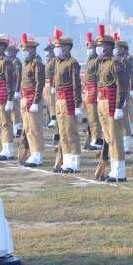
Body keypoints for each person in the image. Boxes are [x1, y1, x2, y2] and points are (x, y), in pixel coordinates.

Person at [93, 26, 129, 182]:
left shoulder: (115, 63)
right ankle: (114, 169)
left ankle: (119, 171)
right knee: (108, 138)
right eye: (98, 45)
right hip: (101, 102)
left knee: (115, 137)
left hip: (111, 102)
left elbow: (122, 85)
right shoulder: (101, 63)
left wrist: (119, 106)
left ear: (109, 46)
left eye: (102, 45)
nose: (100, 48)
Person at [48, 31, 84, 173]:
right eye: (58, 46)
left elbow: (76, 85)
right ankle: (67, 161)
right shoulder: (57, 62)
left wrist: (77, 104)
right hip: (59, 99)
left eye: (61, 46)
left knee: (71, 131)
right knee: (62, 131)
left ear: (68, 47)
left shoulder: (72, 63)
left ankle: (74, 162)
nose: (59, 49)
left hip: (69, 99)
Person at [18, 34, 47, 167]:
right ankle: (33, 153)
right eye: (24, 50)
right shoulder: (26, 64)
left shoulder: (37, 64)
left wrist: (35, 102)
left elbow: (39, 83)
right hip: (25, 98)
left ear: (33, 50)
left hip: (33, 99)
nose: (25, 52)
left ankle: (38, 155)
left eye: (27, 50)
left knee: (35, 128)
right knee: (28, 128)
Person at [83, 32, 101, 150]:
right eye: (88, 48)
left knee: (94, 117)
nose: (89, 50)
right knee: (90, 117)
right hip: (88, 89)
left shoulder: (97, 60)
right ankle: (93, 137)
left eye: (91, 48)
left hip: (94, 89)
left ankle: (97, 139)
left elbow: (98, 77)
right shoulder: (89, 60)